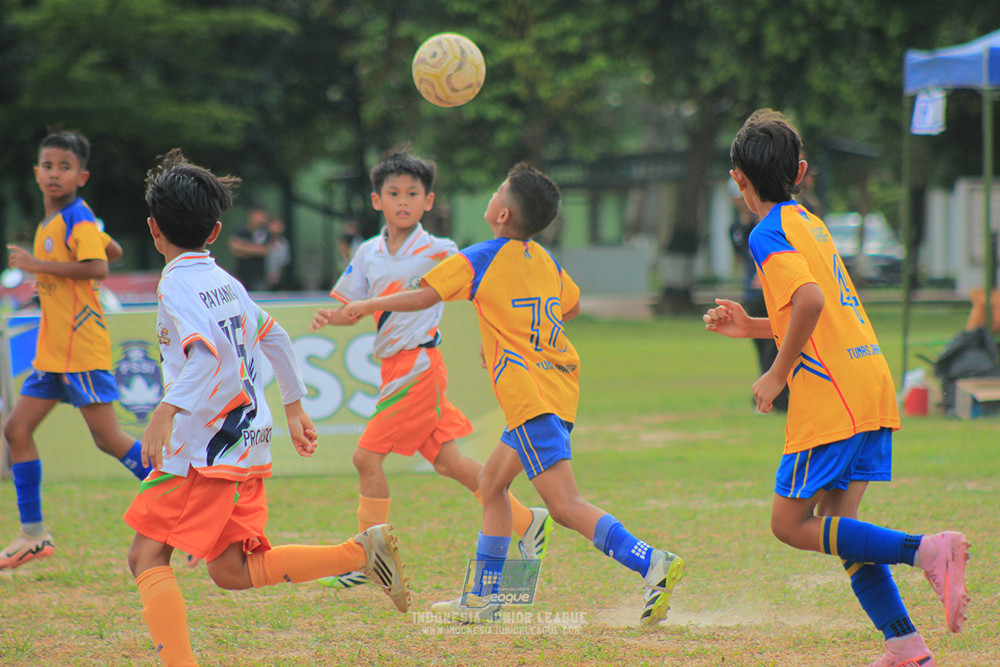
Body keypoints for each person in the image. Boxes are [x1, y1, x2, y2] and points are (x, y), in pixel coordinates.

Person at [339, 162, 685, 625]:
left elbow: (423, 296)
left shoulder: (480, 257)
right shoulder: (543, 258)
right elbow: (570, 305)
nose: (492, 195)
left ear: (503, 214)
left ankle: (651, 562)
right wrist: (509, 333)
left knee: (564, 506)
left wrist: (368, 304)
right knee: (491, 485)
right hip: (555, 387)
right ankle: (483, 598)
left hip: (532, 399)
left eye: (497, 190)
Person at [703, 109, 969, 666]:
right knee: (842, 530)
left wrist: (777, 372)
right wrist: (752, 326)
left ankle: (928, 550)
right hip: (867, 379)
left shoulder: (766, 233)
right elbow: (818, 312)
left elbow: (810, 302)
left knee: (789, 524)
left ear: (738, 180)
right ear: (800, 172)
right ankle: (905, 646)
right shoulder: (810, 223)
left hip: (833, 395)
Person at [125, 149, 409, 666]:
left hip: (204, 452)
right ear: (215, 232)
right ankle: (360, 554)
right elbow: (274, 335)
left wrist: (165, 411)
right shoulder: (224, 281)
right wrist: (294, 406)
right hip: (245, 444)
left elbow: (203, 358)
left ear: (153, 229)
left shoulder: (176, 284)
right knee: (231, 571)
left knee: (145, 556)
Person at [310, 151, 553, 591]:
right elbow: (353, 309)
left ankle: (370, 557)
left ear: (429, 201)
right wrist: (333, 317)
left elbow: (486, 291)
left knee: (365, 458)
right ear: (377, 200)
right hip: (393, 367)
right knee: (449, 463)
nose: (403, 201)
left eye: (412, 193)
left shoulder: (442, 251)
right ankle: (527, 521)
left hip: (419, 366)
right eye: (393, 193)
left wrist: (492, 339)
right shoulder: (367, 253)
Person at [1, 130, 153, 570]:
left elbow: (99, 267)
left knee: (109, 439)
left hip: (79, 348)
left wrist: (36, 266)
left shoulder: (76, 218)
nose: (54, 174)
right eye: (48, 166)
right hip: (53, 351)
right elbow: (113, 248)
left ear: (81, 176)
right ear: (37, 172)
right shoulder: (57, 221)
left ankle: (184, 495)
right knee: (16, 431)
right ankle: (33, 536)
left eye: (65, 167)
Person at [728, 178, 789, 413]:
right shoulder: (736, 226)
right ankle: (767, 394)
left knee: (776, 344)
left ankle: (775, 395)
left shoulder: (764, 223)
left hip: (771, 290)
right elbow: (740, 256)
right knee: (762, 345)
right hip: (751, 292)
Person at [228, 203, 270, 291]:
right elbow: (235, 247)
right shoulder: (241, 230)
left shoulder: (265, 232)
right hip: (241, 273)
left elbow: (264, 250)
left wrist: (243, 247)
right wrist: (254, 249)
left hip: (258, 276)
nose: (261, 219)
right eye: (259, 215)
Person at [264, 216, 291, 290]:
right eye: (275, 225)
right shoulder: (262, 239)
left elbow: (284, 262)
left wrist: (277, 275)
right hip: (260, 277)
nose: (277, 228)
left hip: (278, 279)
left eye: (280, 226)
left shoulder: (283, 243)